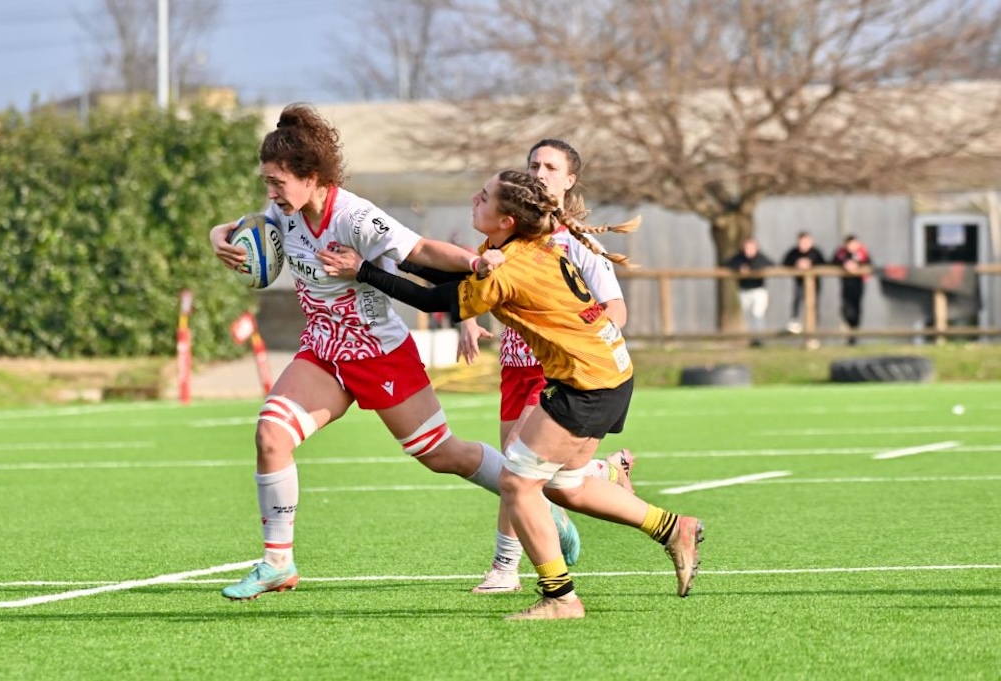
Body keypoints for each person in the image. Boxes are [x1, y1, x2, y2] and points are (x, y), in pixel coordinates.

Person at [207, 103, 579, 600]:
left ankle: (539, 504)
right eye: (267, 183)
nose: (270, 193)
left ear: (311, 177)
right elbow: (241, 225)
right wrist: (219, 237)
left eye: (277, 182)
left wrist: (476, 260)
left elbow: (421, 250)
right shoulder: (282, 212)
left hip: (380, 354)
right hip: (323, 352)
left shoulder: (355, 216)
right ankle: (278, 563)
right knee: (271, 435)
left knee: (442, 455)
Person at [319, 169, 704, 620]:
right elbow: (440, 270)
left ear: (506, 220)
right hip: (607, 373)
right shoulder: (510, 248)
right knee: (565, 485)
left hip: (587, 382)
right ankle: (673, 528)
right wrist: (387, 253)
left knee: (517, 483)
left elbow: (434, 301)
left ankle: (560, 598)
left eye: (483, 197)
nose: (473, 199)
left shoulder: (512, 267)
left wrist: (363, 270)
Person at [402, 139, 638, 595]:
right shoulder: (508, 235)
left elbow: (616, 311)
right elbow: (470, 282)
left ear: (570, 181)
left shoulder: (575, 243)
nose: (542, 171)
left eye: (552, 166)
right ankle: (604, 474)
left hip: (562, 371)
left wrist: (581, 339)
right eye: (534, 164)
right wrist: (468, 321)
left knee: (518, 466)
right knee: (525, 473)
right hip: (515, 363)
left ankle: (506, 567)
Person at [725, 237, 774, 347]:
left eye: (751, 247)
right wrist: (739, 268)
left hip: (758, 290)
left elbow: (771, 265)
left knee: (758, 314)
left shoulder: (761, 258)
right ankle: (748, 339)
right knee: (745, 316)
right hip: (744, 291)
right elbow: (728, 264)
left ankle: (759, 339)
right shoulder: (739, 258)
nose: (749, 250)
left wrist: (752, 269)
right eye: (747, 247)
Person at [781, 231, 826, 334]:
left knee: (814, 305)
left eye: (806, 241)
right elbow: (784, 263)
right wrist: (796, 264)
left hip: (814, 283)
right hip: (799, 282)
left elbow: (824, 264)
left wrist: (811, 264)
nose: (804, 244)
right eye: (802, 242)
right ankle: (795, 321)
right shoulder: (793, 252)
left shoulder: (816, 252)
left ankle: (814, 330)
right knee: (797, 299)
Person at [832, 234, 872, 345]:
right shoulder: (841, 253)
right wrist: (845, 264)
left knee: (857, 309)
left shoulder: (862, 252)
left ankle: (853, 337)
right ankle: (850, 329)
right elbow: (833, 261)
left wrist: (857, 265)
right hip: (846, 285)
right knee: (846, 309)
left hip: (858, 285)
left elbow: (868, 263)